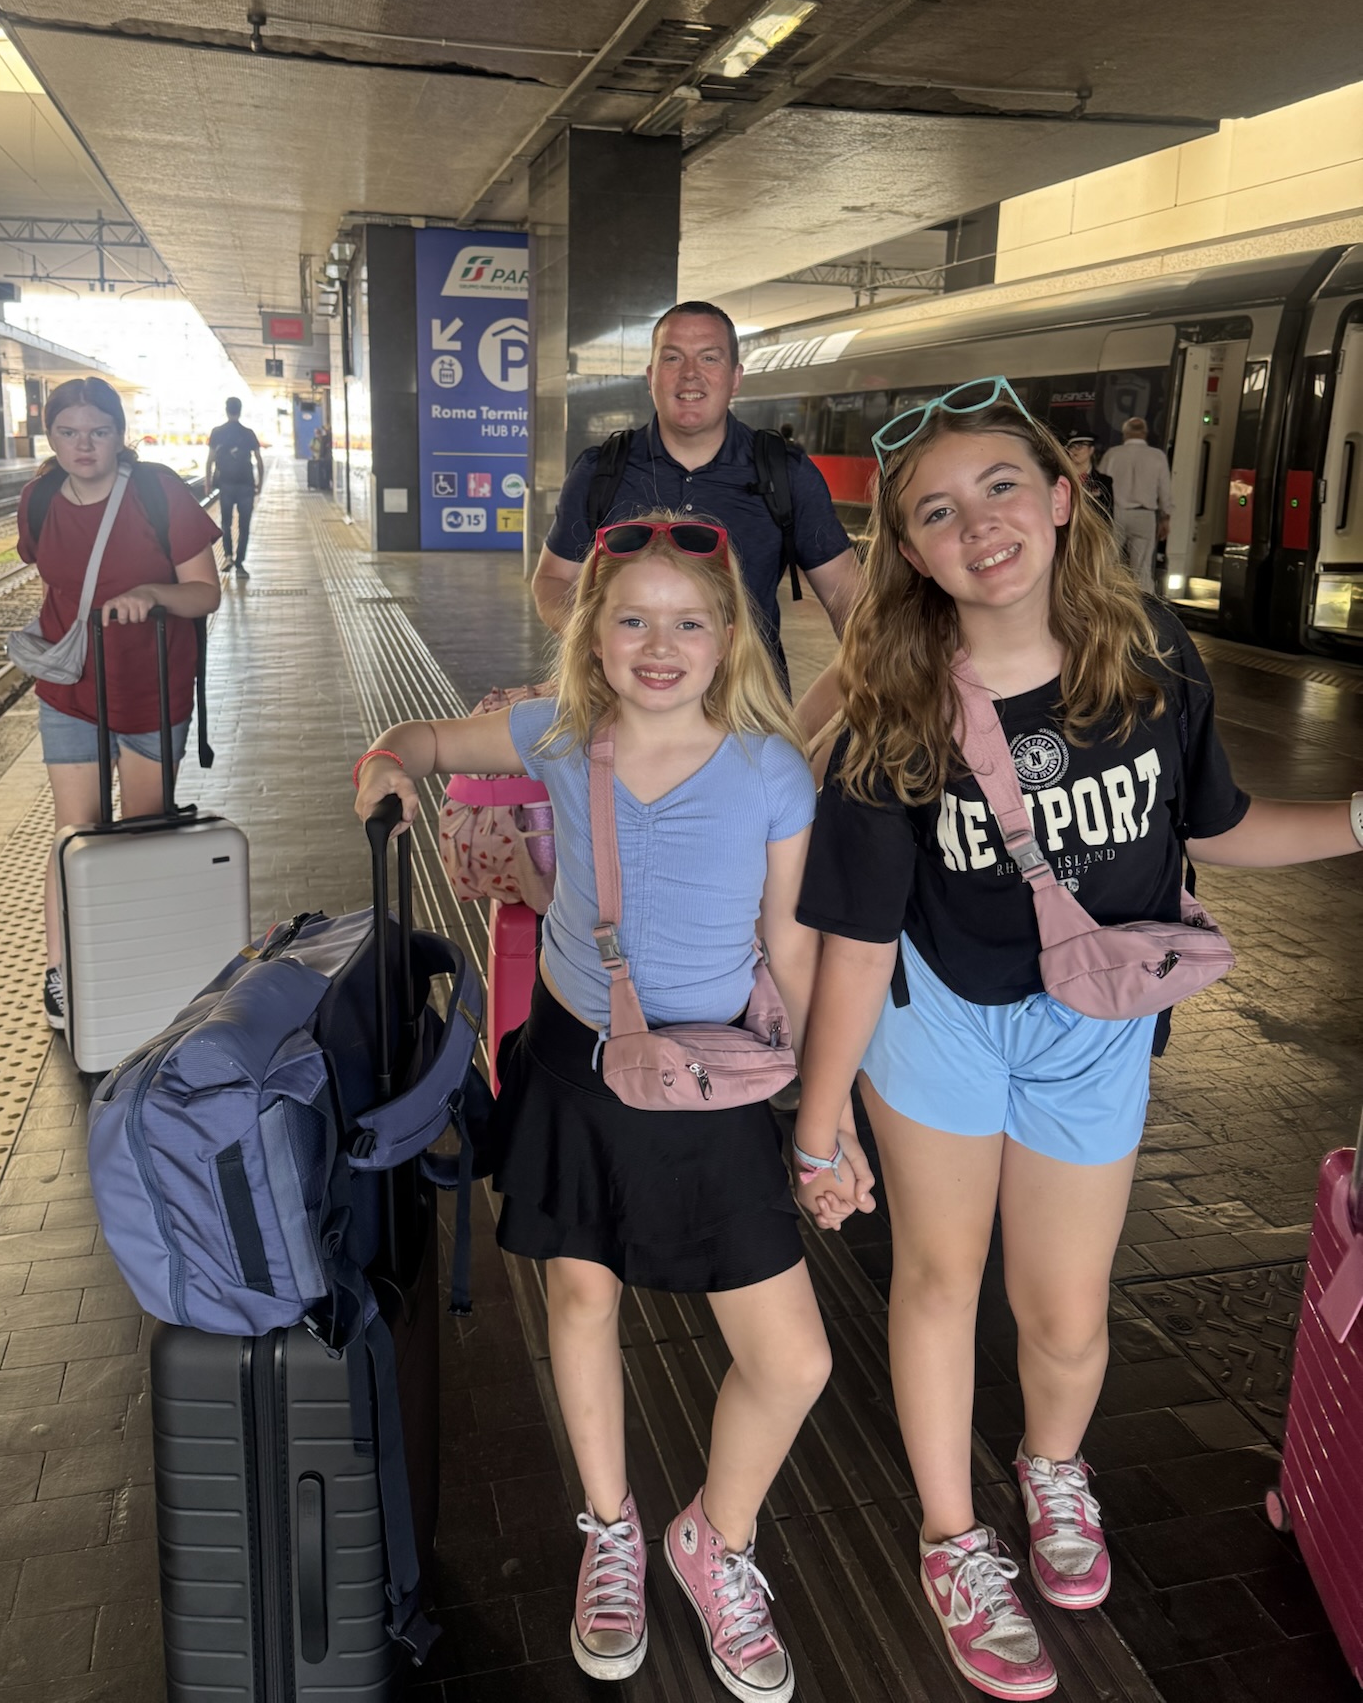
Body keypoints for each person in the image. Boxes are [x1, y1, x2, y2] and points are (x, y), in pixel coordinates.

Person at [787, 380, 1363, 1699]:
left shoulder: (1152, 654)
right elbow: (860, 941)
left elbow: (1214, 829)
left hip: (1094, 1021)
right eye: (936, 511)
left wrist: (1360, 822)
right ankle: (953, 1541)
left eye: (1001, 488)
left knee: (1066, 1309)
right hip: (941, 1010)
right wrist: (818, 1129)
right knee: (940, 1277)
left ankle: (1054, 1469)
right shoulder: (893, 702)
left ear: (1059, 499)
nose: (977, 524)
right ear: (913, 553)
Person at [354, 511, 836, 1701]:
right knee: (581, 1288)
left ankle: (713, 1537)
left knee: (794, 1357)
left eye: (688, 620)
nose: (659, 643)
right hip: (576, 1059)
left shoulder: (772, 770)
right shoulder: (563, 735)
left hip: (714, 1079)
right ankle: (611, 1528)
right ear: (594, 632)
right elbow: (416, 739)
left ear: (731, 635)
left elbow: (791, 941)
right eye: (632, 618)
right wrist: (382, 763)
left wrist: (829, 1112)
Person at [21, 377, 222, 1030]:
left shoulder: (159, 492)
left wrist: (154, 593)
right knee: (74, 831)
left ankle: (139, 961)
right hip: (70, 684)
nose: (84, 445)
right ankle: (63, 972)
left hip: (153, 688)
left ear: (119, 433)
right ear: (50, 436)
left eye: (98, 431)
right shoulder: (41, 497)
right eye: (68, 432)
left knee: (142, 829)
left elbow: (206, 593)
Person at [531, 301, 861, 684]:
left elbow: (851, 603)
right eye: (673, 359)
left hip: (747, 721)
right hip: (622, 716)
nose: (690, 374)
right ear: (651, 376)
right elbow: (553, 581)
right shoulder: (600, 472)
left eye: (709, 358)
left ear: (735, 377)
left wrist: (853, 705)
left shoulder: (787, 475)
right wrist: (599, 638)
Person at [1098, 417, 1171, 594]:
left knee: (1106, 565)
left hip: (1117, 515)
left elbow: (1100, 485)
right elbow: (1165, 489)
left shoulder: (1113, 454)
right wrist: (1166, 517)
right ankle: (1144, 611)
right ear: (1144, 434)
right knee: (1142, 570)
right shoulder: (1157, 456)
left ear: (1125, 434)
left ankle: (1103, 602)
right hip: (1145, 516)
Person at [205, 396, 264, 578]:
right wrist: (260, 482)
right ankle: (239, 564)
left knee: (226, 522)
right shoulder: (248, 433)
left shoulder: (217, 432)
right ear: (240, 410)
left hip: (226, 484)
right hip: (246, 484)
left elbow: (210, 460)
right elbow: (259, 461)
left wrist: (208, 482)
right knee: (244, 525)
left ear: (226, 410)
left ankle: (228, 556)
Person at [1064, 432, 1114, 520]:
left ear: (1091, 450)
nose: (1074, 450)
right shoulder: (1063, 478)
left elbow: (1107, 516)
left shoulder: (1104, 481)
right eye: (1071, 447)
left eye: (1079, 446)